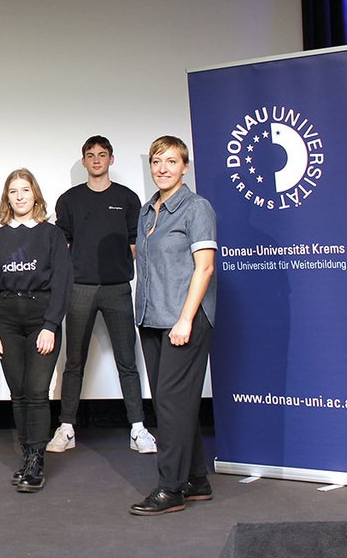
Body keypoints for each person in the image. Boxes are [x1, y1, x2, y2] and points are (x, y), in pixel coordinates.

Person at [49, 136, 157, 454]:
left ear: (111, 159)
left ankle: (138, 428)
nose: (96, 159)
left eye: (102, 155)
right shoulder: (69, 200)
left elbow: (135, 243)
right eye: (90, 155)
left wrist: (113, 268)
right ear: (83, 161)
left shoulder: (127, 198)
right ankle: (66, 427)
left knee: (128, 361)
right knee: (74, 362)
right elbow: (63, 245)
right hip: (79, 289)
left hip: (116, 288)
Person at [129, 136, 217, 516]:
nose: (162, 168)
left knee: (169, 405)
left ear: (184, 167)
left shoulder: (197, 208)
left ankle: (170, 489)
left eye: (170, 161)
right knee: (176, 404)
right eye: (156, 161)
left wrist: (185, 318)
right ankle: (196, 479)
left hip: (184, 321)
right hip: (152, 318)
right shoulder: (148, 212)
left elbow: (206, 266)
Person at [0, 168, 73, 493]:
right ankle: (27, 456)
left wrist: (51, 325)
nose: (20, 196)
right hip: (6, 320)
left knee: (36, 391)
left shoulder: (51, 235)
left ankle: (37, 460)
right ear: (7, 197)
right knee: (17, 393)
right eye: (13, 191)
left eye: (25, 190)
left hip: (40, 318)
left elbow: (62, 283)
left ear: (35, 194)